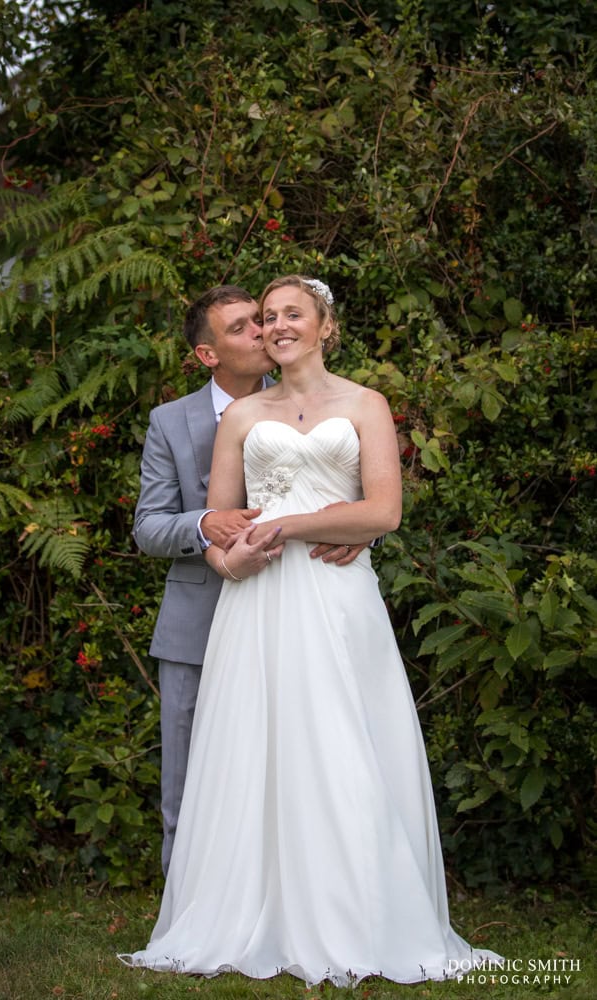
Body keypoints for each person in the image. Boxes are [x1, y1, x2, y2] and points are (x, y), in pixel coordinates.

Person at [121, 275, 502, 986]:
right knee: (255, 751)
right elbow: (220, 527)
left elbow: (382, 513)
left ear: (325, 325)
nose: (274, 326)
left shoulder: (365, 404)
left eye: (290, 314)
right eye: (266, 317)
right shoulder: (238, 418)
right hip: (255, 605)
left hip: (334, 596)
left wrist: (297, 524)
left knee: (343, 742)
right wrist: (231, 559)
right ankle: (249, 909)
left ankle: (358, 909)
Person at [132, 284, 364, 876]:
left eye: (258, 322)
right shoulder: (170, 422)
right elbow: (149, 528)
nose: (261, 333)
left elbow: (348, 486)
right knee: (189, 771)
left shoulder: (307, 401)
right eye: (240, 328)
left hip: (292, 607)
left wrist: (364, 530)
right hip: (198, 619)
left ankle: (284, 887)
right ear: (208, 354)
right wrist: (207, 522)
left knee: (289, 759)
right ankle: (186, 898)